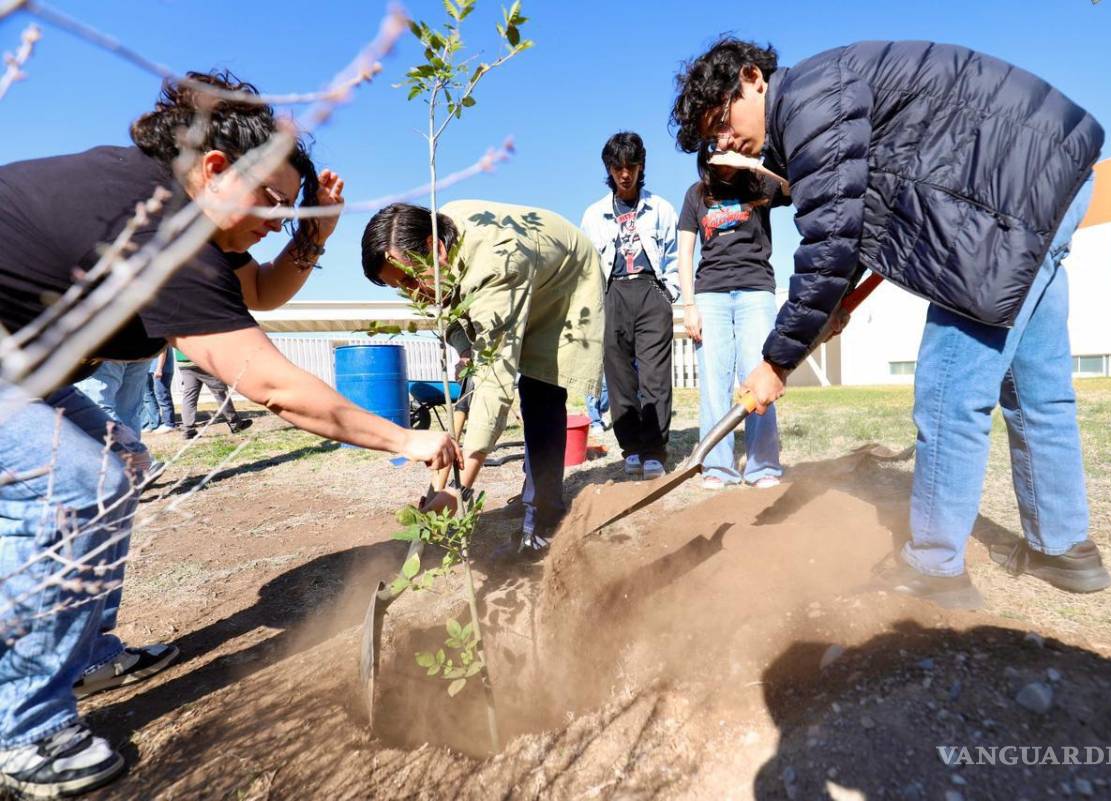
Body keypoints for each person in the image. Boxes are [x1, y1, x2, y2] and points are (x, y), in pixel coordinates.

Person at [0, 70, 459, 798]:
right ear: (216, 168)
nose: (278, 221)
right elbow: (271, 385)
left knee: (121, 455)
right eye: (276, 203)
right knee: (80, 482)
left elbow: (256, 295)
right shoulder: (161, 230)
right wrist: (406, 440)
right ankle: (23, 731)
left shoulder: (190, 216)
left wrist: (314, 230)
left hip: (18, 361)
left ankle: (82, 651)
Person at [671, 38, 1111, 610]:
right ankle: (1064, 548)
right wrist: (838, 305)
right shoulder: (826, 90)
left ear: (753, 77)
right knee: (1037, 388)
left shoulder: (807, 98)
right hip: (1048, 179)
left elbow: (830, 237)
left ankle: (933, 566)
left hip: (998, 204)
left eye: (723, 122)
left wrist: (777, 361)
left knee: (950, 393)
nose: (725, 142)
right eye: (713, 139)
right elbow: (857, 214)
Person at [362, 199, 604, 556]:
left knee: (540, 389)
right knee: (481, 371)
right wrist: (464, 349)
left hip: (564, 281)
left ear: (435, 248)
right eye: (400, 287)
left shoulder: (494, 265)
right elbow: (451, 308)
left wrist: (457, 492)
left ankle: (544, 517)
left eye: (411, 280)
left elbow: (495, 382)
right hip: (519, 273)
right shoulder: (436, 241)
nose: (412, 293)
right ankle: (529, 493)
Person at [678, 150, 787, 490]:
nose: (722, 154)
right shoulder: (696, 194)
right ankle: (718, 467)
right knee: (714, 382)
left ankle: (762, 466)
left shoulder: (760, 182)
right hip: (711, 294)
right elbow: (685, 251)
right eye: (713, 147)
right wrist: (689, 305)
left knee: (758, 377)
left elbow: (797, 187)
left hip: (756, 291)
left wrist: (755, 165)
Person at [580, 132, 679, 480]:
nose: (625, 174)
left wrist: (669, 294)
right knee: (619, 378)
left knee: (654, 377)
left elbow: (673, 257)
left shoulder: (661, 208)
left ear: (641, 167)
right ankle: (632, 448)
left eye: (631, 166)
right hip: (613, 295)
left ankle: (655, 450)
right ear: (609, 169)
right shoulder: (593, 215)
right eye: (618, 167)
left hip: (650, 291)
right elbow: (587, 266)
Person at [175, 347, 253, 438]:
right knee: (220, 393)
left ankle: (188, 429)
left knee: (189, 397)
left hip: (184, 363)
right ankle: (235, 423)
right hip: (202, 360)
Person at [142, 348, 177, 433]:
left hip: (161, 369)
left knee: (162, 396)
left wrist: (159, 368)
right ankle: (153, 424)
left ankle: (169, 424)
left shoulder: (159, 334)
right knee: (147, 396)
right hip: (147, 368)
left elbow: (162, 350)